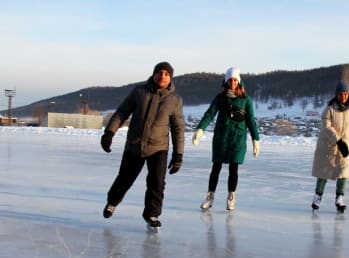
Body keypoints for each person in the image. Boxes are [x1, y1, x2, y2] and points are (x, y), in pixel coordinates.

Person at [100, 61, 184, 229]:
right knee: (125, 178)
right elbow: (122, 112)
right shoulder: (139, 92)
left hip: (159, 147)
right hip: (135, 144)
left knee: (157, 183)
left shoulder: (175, 100)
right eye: (160, 72)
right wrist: (109, 133)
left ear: (170, 78)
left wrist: (178, 155)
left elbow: (178, 128)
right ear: (154, 74)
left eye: (166, 74)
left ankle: (152, 214)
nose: (162, 76)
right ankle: (112, 202)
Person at [192, 66, 260, 211]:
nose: (233, 82)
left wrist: (256, 139)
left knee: (233, 168)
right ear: (226, 81)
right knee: (216, 168)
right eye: (230, 80)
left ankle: (231, 197)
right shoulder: (220, 98)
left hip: (237, 139)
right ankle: (210, 197)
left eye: (235, 80)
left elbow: (251, 120)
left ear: (239, 81)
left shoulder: (246, 100)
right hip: (221, 138)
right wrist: (200, 129)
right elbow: (210, 114)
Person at [311, 81, 349, 213]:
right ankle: (318, 197)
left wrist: (346, 142)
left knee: (343, 172)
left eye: (345, 94)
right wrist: (338, 141)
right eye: (340, 94)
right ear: (336, 95)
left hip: (343, 147)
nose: (343, 96)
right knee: (323, 172)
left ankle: (340, 197)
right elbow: (326, 127)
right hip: (327, 146)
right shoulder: (330, 109)